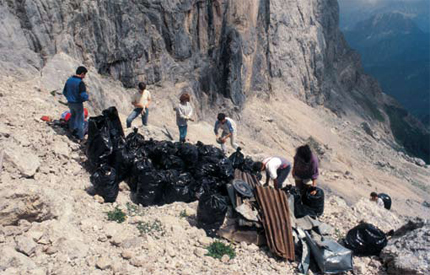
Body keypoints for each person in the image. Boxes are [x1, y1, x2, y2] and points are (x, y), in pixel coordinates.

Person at [62, 66, 89, 141]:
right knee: (80, 119)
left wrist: (69, 98)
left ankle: (71, 131)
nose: (84, 76)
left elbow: (64, 92)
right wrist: (86, 97)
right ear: (82, 74)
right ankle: (80, 137)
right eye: (84, 74)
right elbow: (83, 95)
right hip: (78, 103)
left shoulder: (69, 80)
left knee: (73, 116)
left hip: (70, 103)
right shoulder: (80, 83)